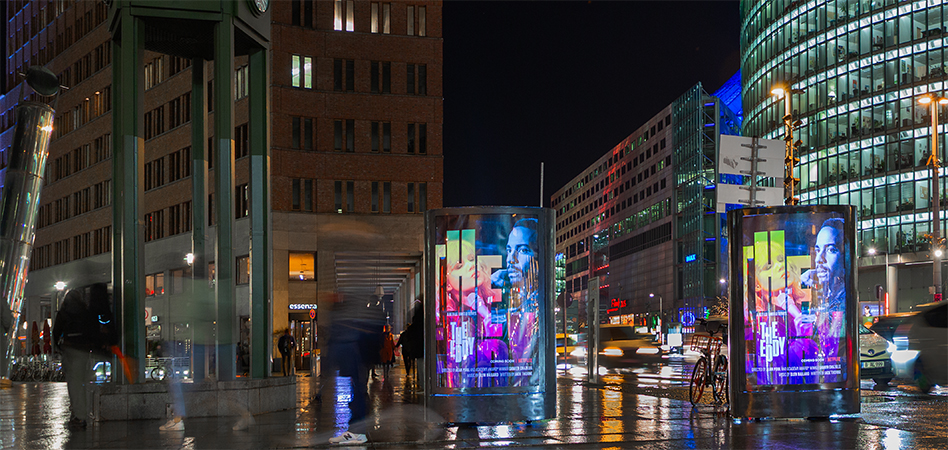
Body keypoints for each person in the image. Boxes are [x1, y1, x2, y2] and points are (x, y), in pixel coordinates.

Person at [53, 283, 116, 429]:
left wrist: (59, 347)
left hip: (70, 349)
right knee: (82, 383)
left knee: (74, 384)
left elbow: (56, 332)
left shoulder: (64, 312)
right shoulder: (86, 311)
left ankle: (79, 416)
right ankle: (81, 412)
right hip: (84, 352)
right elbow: (93, 331)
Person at [327, 295, 384, 445]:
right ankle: (355, 431)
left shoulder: (362, 314)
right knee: (358, 390)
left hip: (357, 353)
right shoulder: (361, 313)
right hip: (357, 353)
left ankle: (357, 433)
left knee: (359, 391)